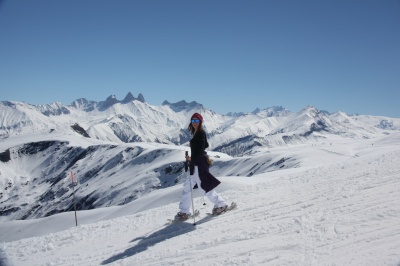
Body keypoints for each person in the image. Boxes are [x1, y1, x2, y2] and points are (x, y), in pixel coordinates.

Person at [175, 112, 228, 220]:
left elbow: (200, 149)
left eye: (197, 120)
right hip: (195, 164)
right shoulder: (196, 133)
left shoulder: (201, 133)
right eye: (193, 120)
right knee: (188, 187)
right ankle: (184, 211)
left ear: (200, 122)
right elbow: (204, 145)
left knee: (204, 186)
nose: (194, 123)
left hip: (198, 164)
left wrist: (191, 159)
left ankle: (221, 204)